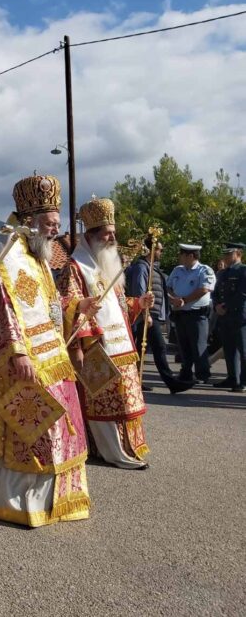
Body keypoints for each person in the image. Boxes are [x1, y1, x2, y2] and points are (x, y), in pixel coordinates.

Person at [0, 175, 94, 526]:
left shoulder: (38, 256)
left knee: (59, 423)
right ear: (30, 220)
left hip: (51, 355)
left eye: (56, 223)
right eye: (50, 223)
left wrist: (77, 307)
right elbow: (1, 308)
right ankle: (14, 500)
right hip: (16, 359)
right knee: (31, 426)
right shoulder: (4, 254)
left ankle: (54, 498)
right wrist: (18, 352)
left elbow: (49, 304)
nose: (55, 230)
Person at [58, 197, 155, 470]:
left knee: (126, 401)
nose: (112, 238)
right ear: (90, 236)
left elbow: (118, 305)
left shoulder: (109, 264)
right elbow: (67, 305)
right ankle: (113, 453)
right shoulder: (75, 268)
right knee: (104, 402)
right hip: (97, 347)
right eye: (106, 233)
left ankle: (127, 447)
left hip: (122, 346)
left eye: (114, 232)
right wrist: (79, 342)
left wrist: (139, 304)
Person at [125, 237, 193, 394]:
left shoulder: (151, 268)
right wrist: (145, 313)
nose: (161, 252)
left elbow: (156, 290)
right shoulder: (141, 267)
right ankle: (172, 383)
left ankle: (135, 381)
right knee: (159, 347)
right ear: (151, 250)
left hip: (151, 314)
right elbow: (139, 292)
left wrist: (172, 300)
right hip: (146, 315)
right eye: (159, 249)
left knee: (141, 350)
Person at [168, 244, 216, 383]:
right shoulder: (178, 270)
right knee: (183, 345)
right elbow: (169, 287)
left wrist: (184, 300)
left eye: (182, 255)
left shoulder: (204, 270)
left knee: (198, 345)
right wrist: (174, 299)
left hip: (196, 314)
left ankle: (202, 374)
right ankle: (186, 372)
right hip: (180, 313)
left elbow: (204, 289)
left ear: (190, 256)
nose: (179, 257)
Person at [212, 242, 246, 392]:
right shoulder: (222, 273)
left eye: (229, 254)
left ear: (238, 254)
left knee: (243, 350)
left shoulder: (243, 271)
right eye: (224, 254)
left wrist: (225, 306)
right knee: (229, 349)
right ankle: (233, 378)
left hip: (239, 316)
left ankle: (243, 381)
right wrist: (216, 306)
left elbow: (242, 294)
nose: (225, 257)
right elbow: (215, 293)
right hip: (224, 316)